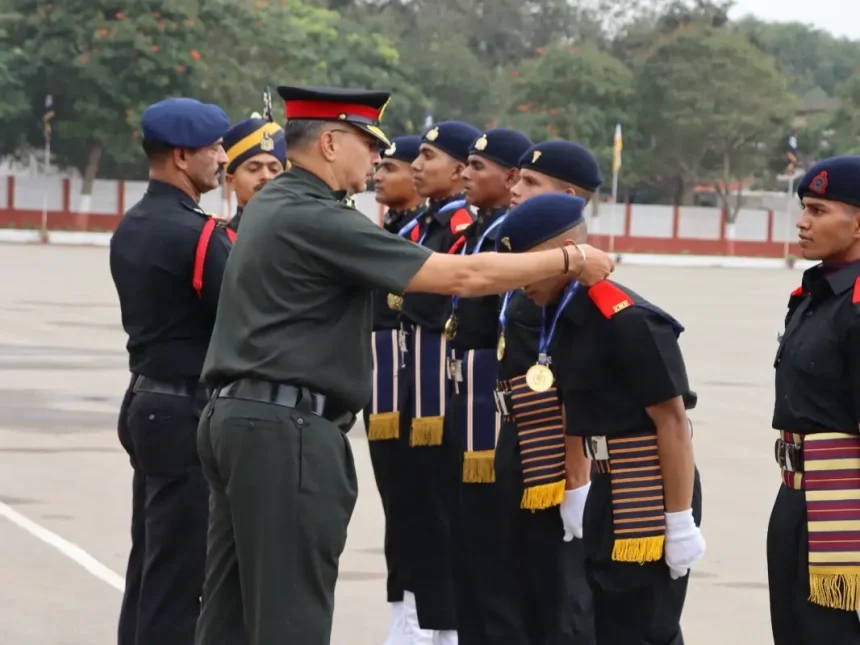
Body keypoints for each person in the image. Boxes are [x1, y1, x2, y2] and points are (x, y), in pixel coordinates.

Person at [194, 84, 616, 645]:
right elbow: (457, 277)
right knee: (287, 618)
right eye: (367, 144)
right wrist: (570, 257)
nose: (376, 158)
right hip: (283, 432)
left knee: (230, 616)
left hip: (243, 420)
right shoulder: (316, 216)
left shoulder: (275, 202)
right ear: (328, 143)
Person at [495, 192, 705, 645]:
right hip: (606, 482)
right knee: (606, 618)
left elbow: (672, 424)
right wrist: (579, 487)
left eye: (527, 261)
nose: (519, 277)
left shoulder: (626, 321)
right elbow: (571, 404)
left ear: (565, 252)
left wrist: (680, 520)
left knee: (645, 628)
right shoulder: (564, 316)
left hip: (649, 486)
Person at [109, 97, 231, 645]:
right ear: (183, 156)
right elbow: (241, 316)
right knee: (180, 578)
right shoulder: (199, 234)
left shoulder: (132, 224)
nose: (223, 157)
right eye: (215, 147)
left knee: (152, 564)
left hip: (145, 402)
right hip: (184, 410)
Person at [495, 139, 605, 645]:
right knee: (528, 589)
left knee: (566, 599)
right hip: (521, 440)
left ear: (568, 198)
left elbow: (578, 399)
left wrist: (578, 486)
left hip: (562, 462)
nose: (515, 190)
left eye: (531, 184)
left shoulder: (588, 299)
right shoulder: (530, 281)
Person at [444, 127, 534, 645]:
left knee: (497, 554)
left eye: (479, 167)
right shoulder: (486, 228)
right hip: (468, 398)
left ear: (510, 176)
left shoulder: (511, 237)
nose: (467, 174)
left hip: (498, 409)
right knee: (470, 542)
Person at [768, 155, 860, 645]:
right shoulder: (811, 296)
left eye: (819, 210)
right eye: (804, 208)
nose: (802, 222)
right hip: (795, 494)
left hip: (845, 507)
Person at [397, 119, 480, 644]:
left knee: (451, 517)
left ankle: (443, 628)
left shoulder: (460, 231)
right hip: (414, 384)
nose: (416, 166)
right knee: (418, 513)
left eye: (429, 156)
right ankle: (420, 624)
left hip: (453, 392)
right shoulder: (426, 224)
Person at [364, 133, 426, 644]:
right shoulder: (400, 228)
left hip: (423, 393)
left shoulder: (436, 231)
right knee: (399, 510)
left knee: (424, 512)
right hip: (389, 388)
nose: (378, 175)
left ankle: (423, 620)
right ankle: (404, 615)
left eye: (392, 166)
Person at [222, 111, 287, 233]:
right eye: (253, 169)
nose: (266, 176)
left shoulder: (301, 238)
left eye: (274, 170)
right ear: (231, 181)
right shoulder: (219, 240)